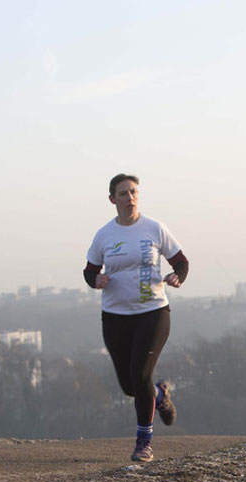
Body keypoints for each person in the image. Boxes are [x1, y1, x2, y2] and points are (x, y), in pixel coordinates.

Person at [83, 173, 189, 462]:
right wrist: (97, 281)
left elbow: (181, 261)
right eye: (123, 194)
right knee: (130, 386)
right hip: (115, 317)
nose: (129, 198)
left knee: (140, 375)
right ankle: (158, 394)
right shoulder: (105, 235)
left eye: (133, 192)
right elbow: (89, 271)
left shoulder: (154, 228)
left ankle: (144, 442)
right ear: (112, 199)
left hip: (153, 313)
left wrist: (177, 277)